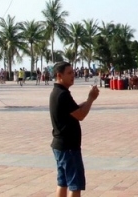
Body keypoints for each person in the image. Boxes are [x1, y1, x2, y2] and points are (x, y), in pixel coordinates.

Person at [50, 61, 100, 197]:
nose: (73, 75)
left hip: (60, 145)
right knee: (75, 185)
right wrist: (91, 98)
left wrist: (89, 100)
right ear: (59, 76)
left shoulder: (57, 92)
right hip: (68, 147)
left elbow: (74, 110)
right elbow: (80, 114)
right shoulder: (63, 95)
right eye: (69, 73)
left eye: (73, 72)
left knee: (63, 183)